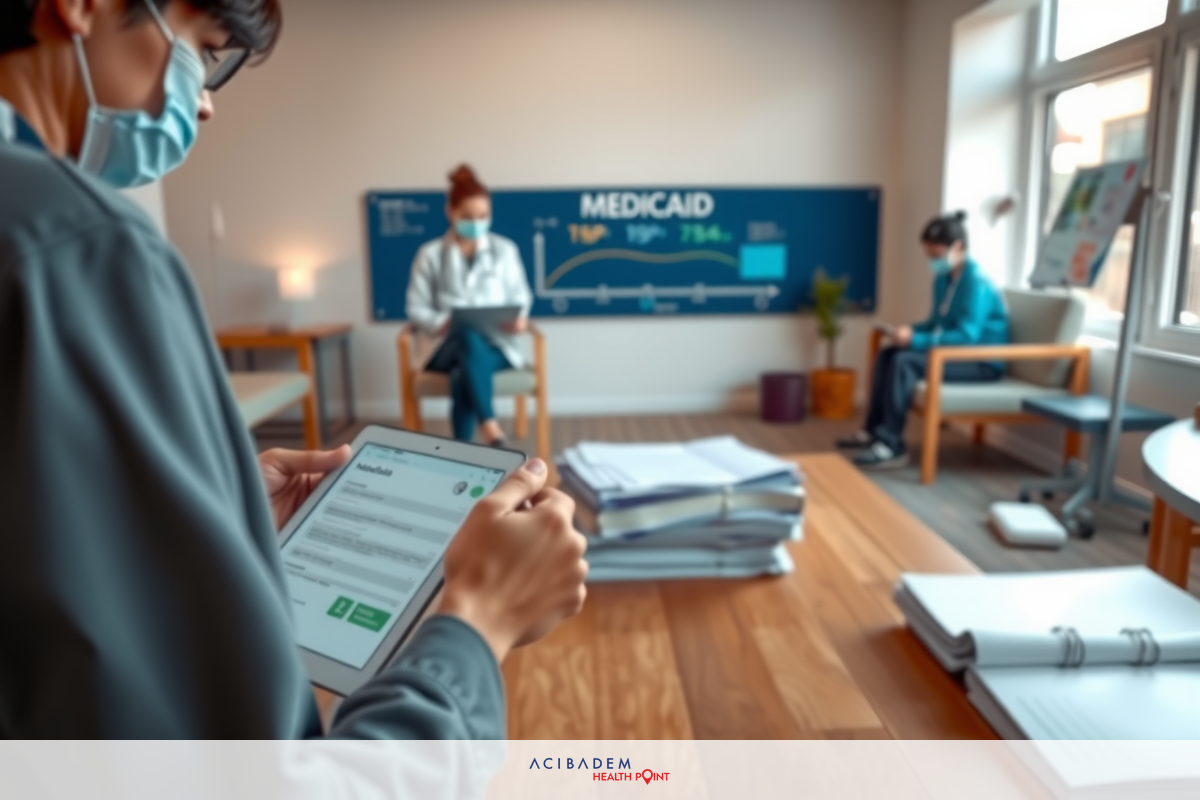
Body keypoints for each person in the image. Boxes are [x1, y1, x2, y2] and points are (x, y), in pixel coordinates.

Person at [0, 0, 586, 739]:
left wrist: (223, 521)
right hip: (449, 342)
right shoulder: (80, 249)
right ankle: (491, 435)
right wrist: (476, 622)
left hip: (490, 343)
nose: (206, 103)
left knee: (478, 345)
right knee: (465, 346)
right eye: (205, 51)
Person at [838, 211, 1010, 470]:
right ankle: (873, 432)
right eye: (929, 255)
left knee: (905, 362)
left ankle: (892, 445)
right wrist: (907, 331)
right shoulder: (943, 279)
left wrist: (916, 340)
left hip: (979, 361)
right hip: (950, 354)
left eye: (937, 256)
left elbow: (966, 336)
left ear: (958, 247)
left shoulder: (978, 284)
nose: (933, 261)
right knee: (888, 353)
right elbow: (935, 323)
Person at [406, 165, 533, 447]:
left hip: (497, 347)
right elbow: (416, 307)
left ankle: (461, 450)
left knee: (464, 368)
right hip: (443, 347)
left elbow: (520, 298)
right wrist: (444, 323)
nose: (476, 223)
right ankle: (491, 430)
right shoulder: (430, 254)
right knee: (466, 337)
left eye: (483, 216)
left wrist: (520, 320)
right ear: (449, 212)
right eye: (467, 216)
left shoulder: (506, 250)